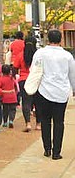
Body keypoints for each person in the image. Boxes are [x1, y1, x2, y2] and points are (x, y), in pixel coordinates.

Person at [30, 29, 75, 160]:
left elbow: (33, 70)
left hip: (43, 92)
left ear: (48, 39)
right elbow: (72, 75)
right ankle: (56, 152)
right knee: (59, 122)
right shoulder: (67, 56)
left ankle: (47, 149)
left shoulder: (40, 53)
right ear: (61, 40)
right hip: (61, 93)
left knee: (45, 121)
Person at [16, 36, 38, 132]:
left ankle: (28, 124)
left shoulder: (20, 55)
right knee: (38, 103)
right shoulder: (38, 56)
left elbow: (15, 68)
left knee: (26, 103)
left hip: (24, 80)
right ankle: (38, 124)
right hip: (36, 80)